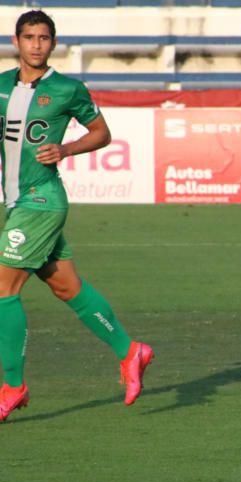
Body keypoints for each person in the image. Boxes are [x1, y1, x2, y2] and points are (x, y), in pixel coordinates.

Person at [0, 10, 153, 422]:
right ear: (16, 41)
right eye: (29, 37)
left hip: (42, 201)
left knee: (2, 289)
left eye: (44, 38)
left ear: (53, 43)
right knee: (67, 288)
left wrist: (66, 150)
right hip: (18, 202)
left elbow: (102, 133)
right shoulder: (0, 86)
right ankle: (130, 350)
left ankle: (12, 386)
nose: (36, 44)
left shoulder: (67, 88)